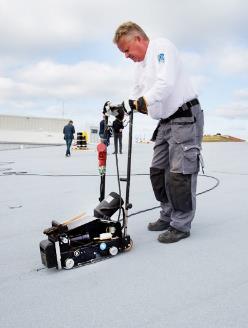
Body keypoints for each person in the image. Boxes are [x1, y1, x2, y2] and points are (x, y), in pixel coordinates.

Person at [112, 21, 204, 243]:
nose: (126, 56)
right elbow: (135, 96)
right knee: (157, 171)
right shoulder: (139, 67)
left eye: (126, 50)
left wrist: (142, 101)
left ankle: (180, 225)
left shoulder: (161, 47)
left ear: (138, 40)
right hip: (164, 122)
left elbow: (166, 83)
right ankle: (167, 214)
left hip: (184, 118)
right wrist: (123, 110)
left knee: (179, 174)